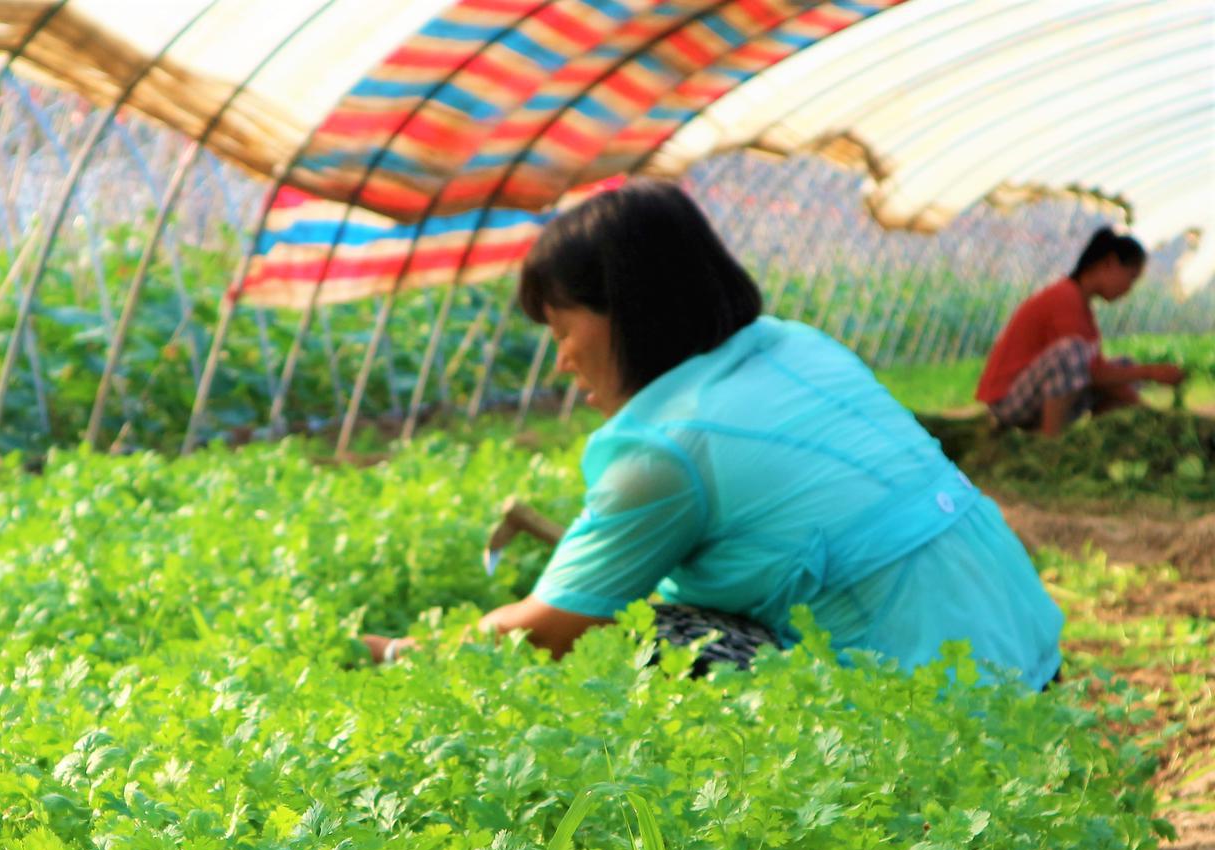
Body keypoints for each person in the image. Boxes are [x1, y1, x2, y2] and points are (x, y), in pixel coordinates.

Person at [363, 182, 1063, 688]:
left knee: (646, 637)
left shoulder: (664, 450)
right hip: (1031, 653)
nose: (562, 356)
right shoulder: (797, 346)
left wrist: (409, 653)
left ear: (625, 315)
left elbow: (550, 628)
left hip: (941, 698)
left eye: (563, 328)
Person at [975, 230, 1185, 436]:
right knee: (1071, 352)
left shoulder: (1083, 308)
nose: (1128, 289)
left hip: (1033, 397)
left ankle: (1107, 440)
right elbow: (1094, 374)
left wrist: (1153, 416)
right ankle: (1051, 443)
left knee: (1123, 368)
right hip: (1008, 403)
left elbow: (1101, 375)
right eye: (1130, 278)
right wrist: (1149, 372)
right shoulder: (1065, 297)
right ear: (1109, 263)